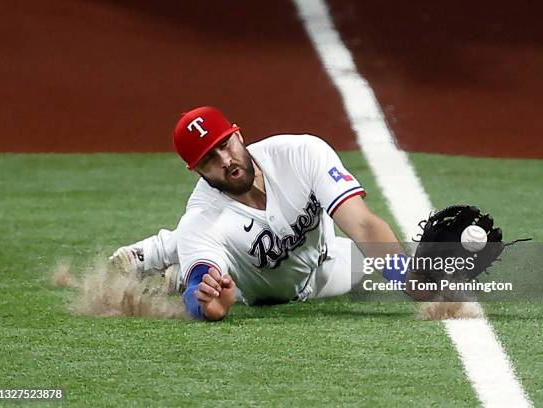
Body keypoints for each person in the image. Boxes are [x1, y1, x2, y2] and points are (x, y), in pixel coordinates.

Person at [110, 106, 421, 321]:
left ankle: (163, 249)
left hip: (326, 263)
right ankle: (153, 253)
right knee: (207, 233)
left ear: (239, 135)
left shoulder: (300, 155)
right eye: (209, 159)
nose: (226, 160)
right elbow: (200, 287)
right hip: (255, 290)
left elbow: (364, 227)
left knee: (385, 260)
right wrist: (205, 303)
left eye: (225, 144)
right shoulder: (201, 220)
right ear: (195, 171)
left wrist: (411, 281)